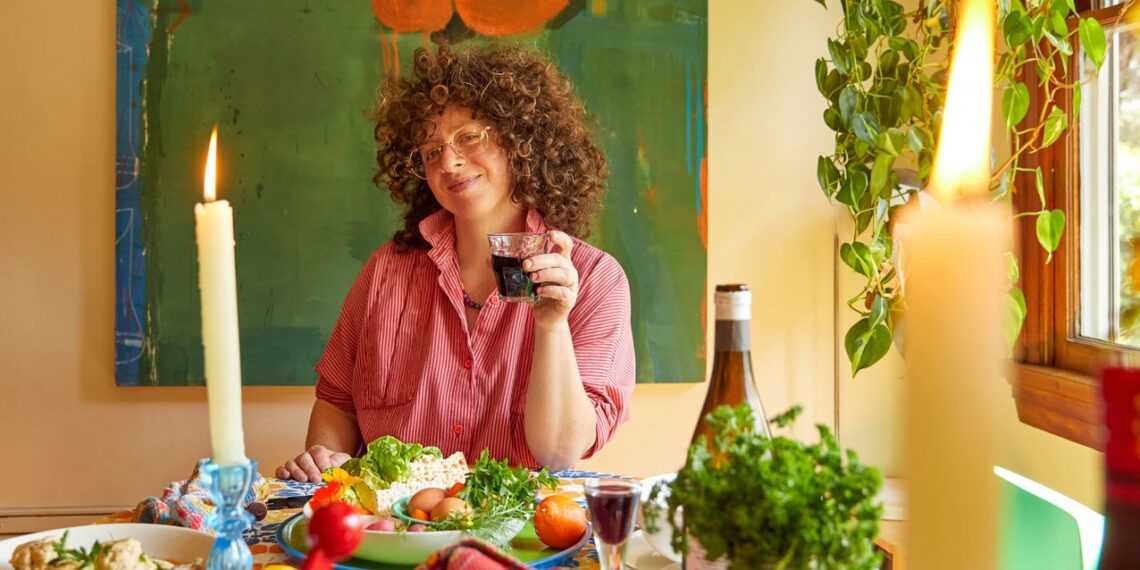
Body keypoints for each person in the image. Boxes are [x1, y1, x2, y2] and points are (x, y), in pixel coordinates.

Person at [276, 43, 636, 482]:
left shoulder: (595, 279)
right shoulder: (385, 271)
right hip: (396, 534)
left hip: (520, 537)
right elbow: (337, 401)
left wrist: (550, 325)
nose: (449, 161)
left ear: (520, 141)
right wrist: (325, 462)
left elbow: (559, 452)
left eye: (468, 137)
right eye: (430, 151)